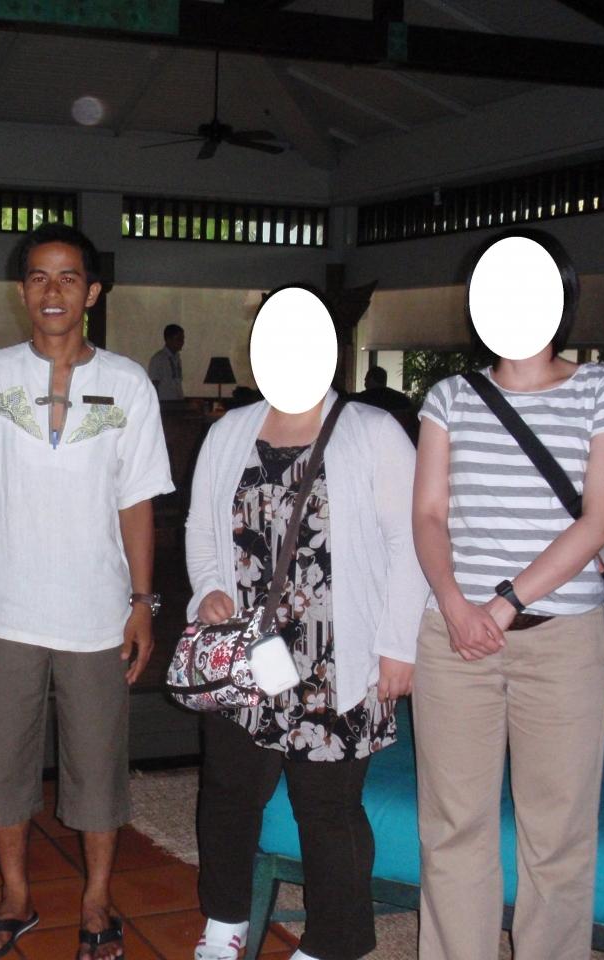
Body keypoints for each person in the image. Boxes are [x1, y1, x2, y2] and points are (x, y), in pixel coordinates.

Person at [0, 223, 173, 960]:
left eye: (69, 277)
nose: (53, 290)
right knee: (1, 768)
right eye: (39, 277)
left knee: (97, 770)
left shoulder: (129, 384)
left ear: (92, 292)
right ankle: (15, 896)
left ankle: (96, 900)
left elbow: (137, 503)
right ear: (22, 291)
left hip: (97, 614)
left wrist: (142, 604)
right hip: (4, 612)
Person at [410, 233, 604, 960]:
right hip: (453, 637)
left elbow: (599, 520)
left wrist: (505, 603)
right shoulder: (449, 397)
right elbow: (429, 515)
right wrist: (455, 604)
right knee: (453, 829)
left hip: (562, 639)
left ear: (560, 295)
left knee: (558, 838)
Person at [185, 339, 428, 960]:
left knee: (328, 809)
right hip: (246, 652)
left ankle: (335, 944)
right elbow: (201, 526)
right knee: (229, 791)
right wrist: (209, 589)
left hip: (336, 657)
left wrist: (398, 644)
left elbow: (410, 542)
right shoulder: (230, 431)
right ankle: (225, 920)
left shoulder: (372, 431)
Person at [148, 323, 185, 402]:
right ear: (168, 339)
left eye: (182, 339)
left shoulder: (177, 358)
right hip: (164, 402)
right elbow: (154, 383)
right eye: (178, 339)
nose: (182, 342)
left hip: (178, 401)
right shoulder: (158, 359)